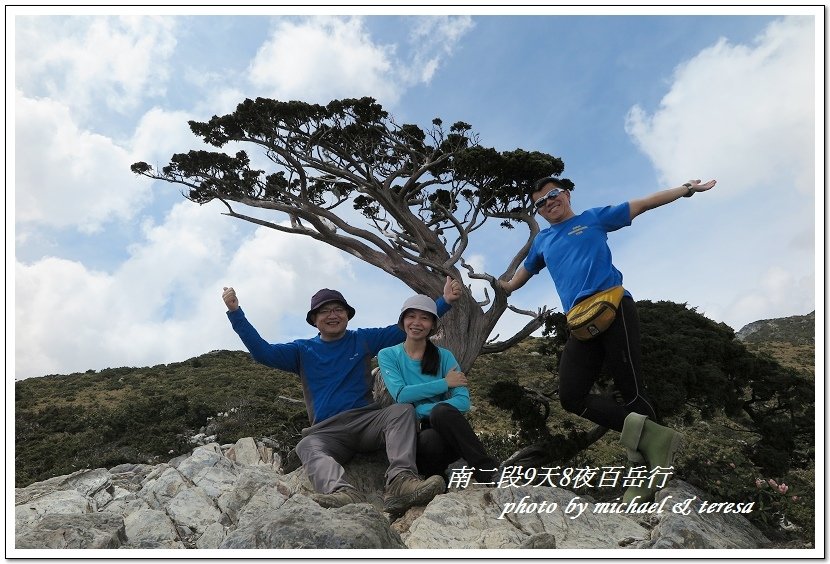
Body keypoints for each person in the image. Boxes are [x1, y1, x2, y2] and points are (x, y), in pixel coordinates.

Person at [499, 176, 717, 502]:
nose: (548, 203)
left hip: (614, 306)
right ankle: (655, 438)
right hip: (581, 322)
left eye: (552, 195)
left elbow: (643, 203)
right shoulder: (542, 241)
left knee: (631, 390)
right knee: (572, 396)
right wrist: (498, 286)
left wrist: (686, 190)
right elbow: (517, 280)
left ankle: (647, 475)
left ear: (566, 194)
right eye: (540, 203)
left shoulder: (594, 218)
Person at [222, 277, 462, 516]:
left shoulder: (362, 339)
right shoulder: (301, 350)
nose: (332, 315)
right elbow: (263, 353)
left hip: (367, 421)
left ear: (347, 315)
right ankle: (342, 493)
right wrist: (235, 312)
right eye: (324, 311)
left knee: (402, 410)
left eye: (338, 309)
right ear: (314, 320)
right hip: (328, 432)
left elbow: (402, 330)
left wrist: (445, 302)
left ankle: (400, 482)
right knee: (307, 445)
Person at [377, 294, 500, 486]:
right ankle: (435, 481)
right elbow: (401, 395)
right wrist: (445, 383)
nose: (417, 323)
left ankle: (486, 470)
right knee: (431, 434)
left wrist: (423, 410)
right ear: (402, 321)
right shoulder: (388, 355)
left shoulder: (444, 356)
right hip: (411, 437)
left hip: (447, 432)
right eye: (411, 316)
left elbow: (463, 402)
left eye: (424, 318)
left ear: (433, 324)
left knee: (441, 412)